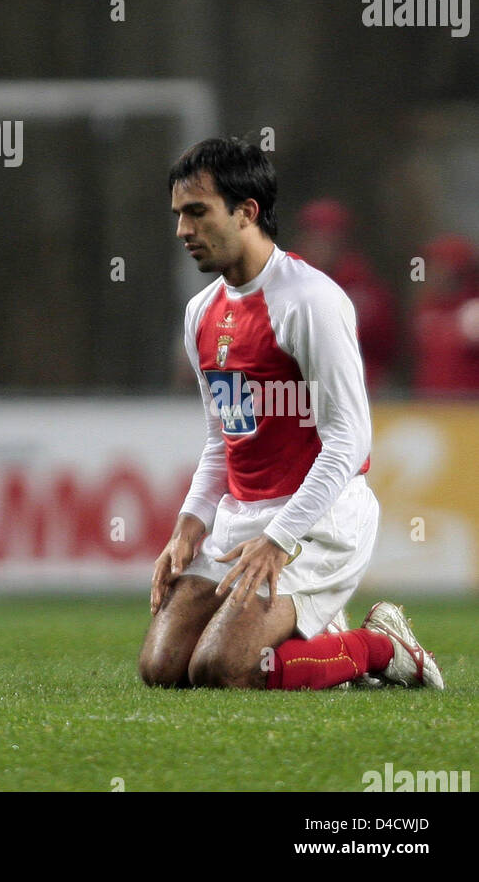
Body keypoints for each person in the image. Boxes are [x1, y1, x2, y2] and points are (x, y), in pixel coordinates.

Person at [139, 137, 442, 691]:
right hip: (240, 521)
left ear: (247, 211)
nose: (183, 230)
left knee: (225, 669)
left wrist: (280, 538)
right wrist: (189, 523)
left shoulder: (310, 301)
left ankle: (383, 647)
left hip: (318, 524)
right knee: (162, 670)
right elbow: (221, 437)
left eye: (197, 212)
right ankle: (311, 634)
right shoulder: (201, 313)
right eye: (179, 215)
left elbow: (349, 442)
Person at [293, 198, 397, 390]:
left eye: (328, 239)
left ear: (342, 242)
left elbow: (387, 347)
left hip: (360, 392)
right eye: (314, 236)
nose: (321, 245)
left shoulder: (364, 288)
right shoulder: (287, 280)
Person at [411, 234, 479, 396]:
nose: (431, 271)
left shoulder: (473, 307)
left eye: (440, 264)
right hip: (429, 403)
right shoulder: (426, 308)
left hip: (467, 408)